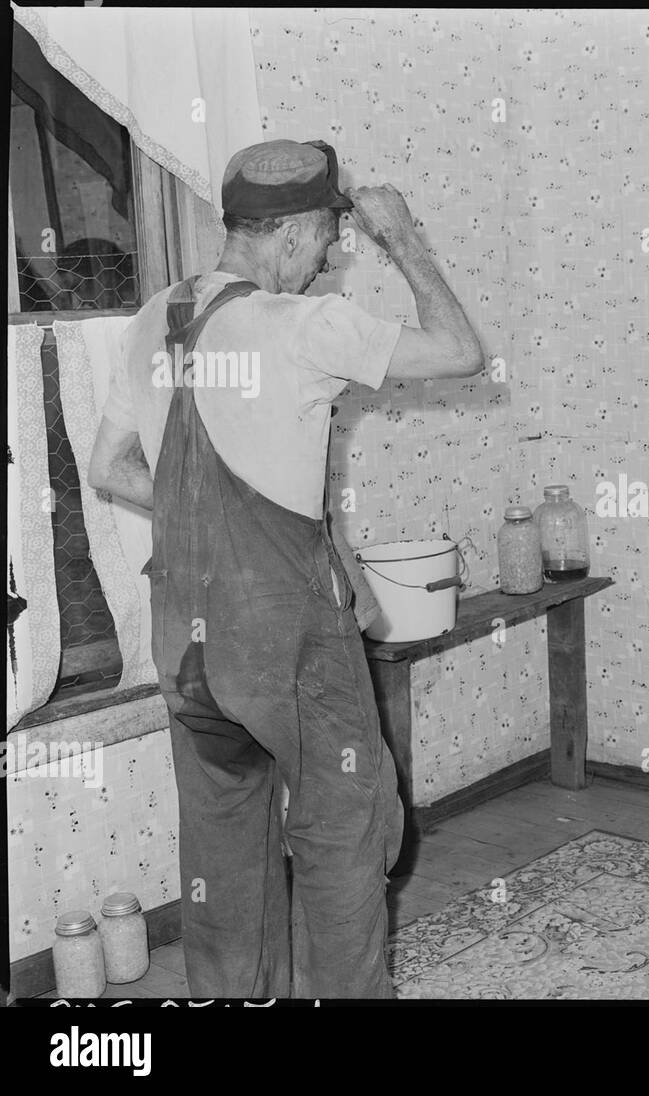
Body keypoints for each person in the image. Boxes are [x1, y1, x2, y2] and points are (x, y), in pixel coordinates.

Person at [87, 139, 482, 997]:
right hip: (287, 640)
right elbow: (459, 351)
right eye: (333, 238)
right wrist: (405, 240)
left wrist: (205, 520)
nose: (332, 259)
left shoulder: (153, 316)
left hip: (186, 640)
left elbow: (110, 468)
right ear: (296, 234)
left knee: (224, 852)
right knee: (348, 827)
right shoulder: (304, 325)